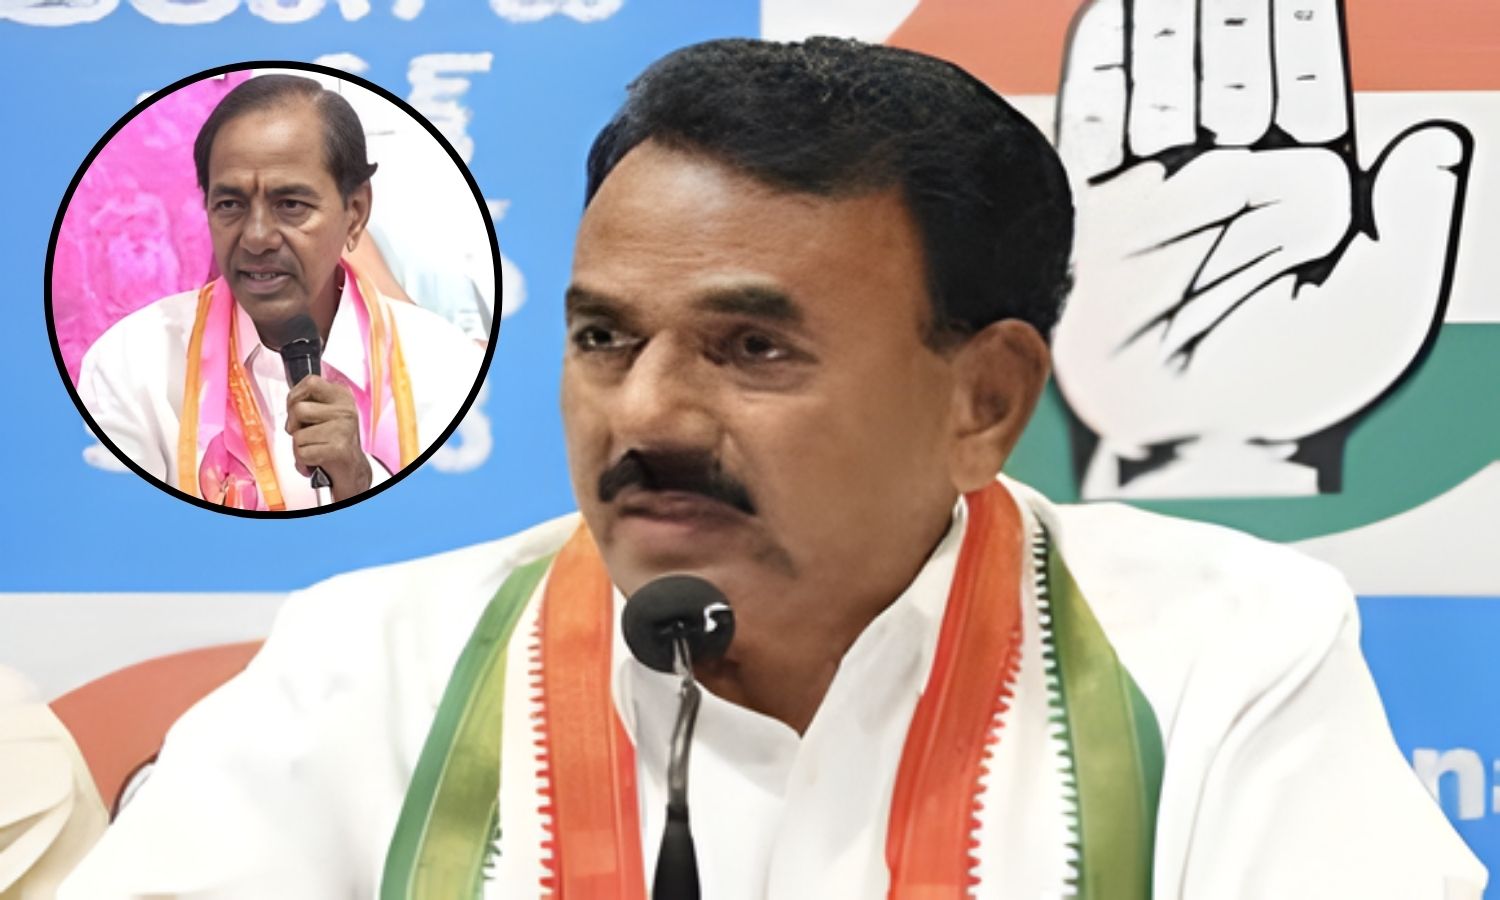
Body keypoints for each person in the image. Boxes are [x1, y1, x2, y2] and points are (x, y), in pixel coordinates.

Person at [60, 39, 1484, 898]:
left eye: (752, 348)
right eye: (605, 337)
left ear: (983, 400)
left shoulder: (1217, 654)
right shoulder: (370, 666)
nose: (647, 414)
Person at [76, 74, 484, 511]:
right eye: (230, 204)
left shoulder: (445, 368)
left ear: (354, 213)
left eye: (290, 205)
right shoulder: (130, 363)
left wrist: (359, 481)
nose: (256, 238)